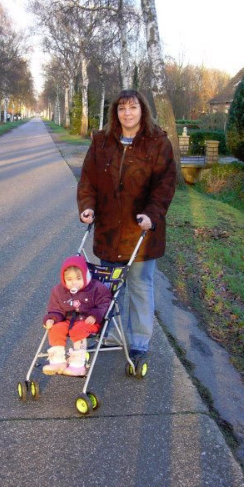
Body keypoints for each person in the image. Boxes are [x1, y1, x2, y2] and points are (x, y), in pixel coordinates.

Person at [76, 89, 177, 364]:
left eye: (132, 108)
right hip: (109, 230)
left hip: (141, 232)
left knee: (140, 285)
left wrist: (152, 216)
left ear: (142, 110)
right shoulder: (101, 142)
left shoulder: (158, 143)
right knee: (106, 285)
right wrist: (87, 206)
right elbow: (88, 180)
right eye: (122, 109)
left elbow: (165, 187)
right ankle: (109, 334)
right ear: (115, 113)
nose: (127, 113)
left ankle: (139, 342)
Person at [42, 255, 113, 376]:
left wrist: (95, 315)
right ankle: (57, 361)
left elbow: (105, 303)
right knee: (56, 328)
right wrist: (52, 319)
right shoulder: (59, 291)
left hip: (89, 321)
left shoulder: (96, 288)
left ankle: (77, 364)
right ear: (64, 279)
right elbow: (55, 308)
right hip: (68, 319)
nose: (74, 283)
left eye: (78, 278)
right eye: (69, 279)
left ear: (85, 277)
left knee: (78, 329)